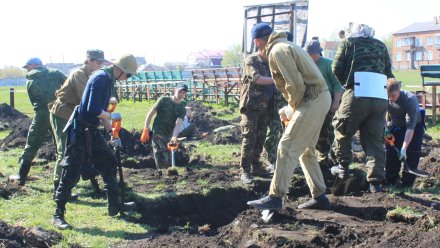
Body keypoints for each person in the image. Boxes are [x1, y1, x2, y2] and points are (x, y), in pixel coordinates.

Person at [247, 23, 332, 210]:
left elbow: (295, 86)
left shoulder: (277, 51)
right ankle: (320, 196)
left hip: (312, 99)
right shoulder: (287, 45)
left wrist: (291, 109)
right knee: (306, 149)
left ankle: (275, 197)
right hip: (320, 98)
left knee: (286, 146)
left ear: (258, 41)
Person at [52, 54, 137, 230]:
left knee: (109, 163)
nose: (126, 79)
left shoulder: (107, 79)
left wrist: (113, 134)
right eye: (128, 75)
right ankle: (58, 214)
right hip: (80, 131)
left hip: (92, 130)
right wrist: (111, 116)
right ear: (120, 70)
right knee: (71, 173)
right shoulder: (101, 78)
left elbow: (101, 111)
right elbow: (92, 109)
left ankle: (115, 205)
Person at [331, 24, 394, 195]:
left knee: (342, 130)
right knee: (375, 140)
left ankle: (343, 168)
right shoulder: (381, 45)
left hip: (357, 93)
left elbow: (336, 68)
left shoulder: (347, 44)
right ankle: (375, 183)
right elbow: (389, 72)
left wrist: (347, 84)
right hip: (380, 96)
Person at [48, 49, 106, 197]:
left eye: (101, 62)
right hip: (62, 114)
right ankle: (58, 189)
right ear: (89, 60)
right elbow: (85, 100)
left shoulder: (92, 75)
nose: (100, 65)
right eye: (97, 62)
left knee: (79, 149)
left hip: (74, 115)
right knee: (64, 151)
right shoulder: (79, 75)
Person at [9, 58, 67, 186]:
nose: (27, 69)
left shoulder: (30, 79)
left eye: (28, 66)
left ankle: (21, 176)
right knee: (62, 145)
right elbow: (69, 86)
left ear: (34, 65)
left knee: (32, 144)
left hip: (41, 114)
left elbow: (32, 99)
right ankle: (62, 180)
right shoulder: (56, 72)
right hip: (58, 112)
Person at [239, 41, 275, 184]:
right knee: (249, 137)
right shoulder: (251, 60)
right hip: (251, 106)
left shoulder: (271, 62)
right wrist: (276, 80)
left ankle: (256, 165)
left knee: (261, 136)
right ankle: (245, 170)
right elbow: (257, 78)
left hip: (265, 106)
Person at [305, 40, 343, 173]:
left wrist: (335, 103)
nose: (310, 56)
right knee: (315, 130)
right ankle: (319, 158)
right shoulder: (306, 64)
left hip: (329, 100)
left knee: (326, 130)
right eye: (308, 54)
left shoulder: (328, 64)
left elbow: (337, 84)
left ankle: (325, 160)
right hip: (313, 101)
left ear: (317, 53)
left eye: (312, 54)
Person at [385, 78, 425, 187]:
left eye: (393, 96)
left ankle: (406, 184)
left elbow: (410, 128)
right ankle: (391, 180)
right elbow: (381, 112)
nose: (390, 99)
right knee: (391, 154)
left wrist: (404, 148)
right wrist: (386, 126)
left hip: (414, 127)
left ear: (399, 90)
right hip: (396, 125)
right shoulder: (386, 97)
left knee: (411, 154)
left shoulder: (410, 99)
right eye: (388, 96)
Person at [140, 83, 188, 169]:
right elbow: (150, 114)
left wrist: (174, 137)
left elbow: (178, 125)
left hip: (169, 134)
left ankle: (168, 176)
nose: (181, 94)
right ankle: (160, 175)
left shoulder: (182, 108)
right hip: (157, 132)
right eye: (180, 92)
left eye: (184, 93)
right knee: (160, 158)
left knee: (169, 160)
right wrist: (146, 129)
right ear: (175, 90)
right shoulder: (163, 100)